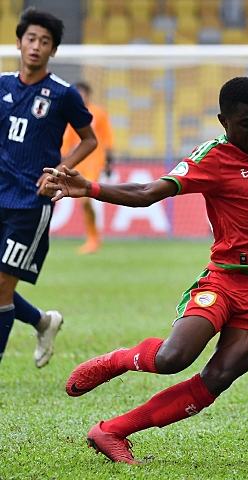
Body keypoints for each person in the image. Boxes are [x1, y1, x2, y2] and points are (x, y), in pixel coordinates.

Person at [44, 76, 248, 464]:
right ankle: (117, 360)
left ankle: (112, 431)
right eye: (247, 124)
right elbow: (147, 193)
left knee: (217, 378)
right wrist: (91, 188)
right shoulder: (213, 157)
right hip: (226, 280)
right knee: (173, 357)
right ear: (224, 121)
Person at [0, 8, 97, 367]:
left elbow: (89, 140)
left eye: (45, 41)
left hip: (31, 202)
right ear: (18, 43)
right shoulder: (2, 85)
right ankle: (43, 321)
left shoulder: (63, 94)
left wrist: (59, 171)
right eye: (31, 39)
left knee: (2, 286)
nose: (36, 46)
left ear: (53, 50)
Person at [61, 81, 114, 254]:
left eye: (83, 93)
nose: (81, 96)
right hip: (77, 164)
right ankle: (93, 237)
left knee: (85, 199)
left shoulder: (98, 113)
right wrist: (63, 160)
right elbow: (67, 140)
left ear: (89, 95)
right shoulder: (70, 113)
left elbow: (107, 136)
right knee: (83, 202)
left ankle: (93, 239)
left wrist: (109, 160)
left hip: (94, 162)